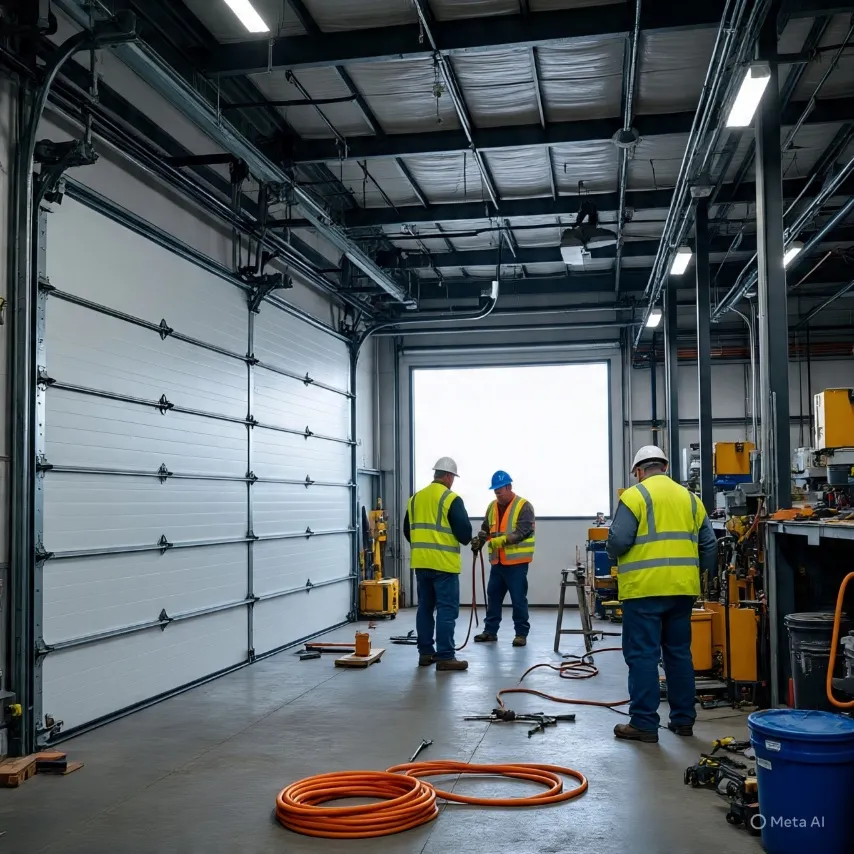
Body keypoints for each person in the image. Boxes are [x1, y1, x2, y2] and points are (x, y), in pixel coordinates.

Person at [606, 445, 718, 744]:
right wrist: (696, 575)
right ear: (665, 467)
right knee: (679, 655)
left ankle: (644, 723)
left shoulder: (634, 496)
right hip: (682, 591)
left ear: (638, 471)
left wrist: (611, 550)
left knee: (643, 655)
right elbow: (709, 546)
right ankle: (683, 721)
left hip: (644, 590)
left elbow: (618, 541)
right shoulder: (691, 499)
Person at [403, 457, 473, 671]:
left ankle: (425, 653)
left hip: (421, 564)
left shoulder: (415, 499)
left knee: (425, 608)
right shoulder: (451, 499)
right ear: (449, 477)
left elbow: (408, 531)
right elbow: (465, 535)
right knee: (446, 610)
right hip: (444, 565)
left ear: (436, 474)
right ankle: (445, 656)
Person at [471, 471, 536, 647]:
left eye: (500, 489)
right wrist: (480, 540)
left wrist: (501, 541)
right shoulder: (492, 507)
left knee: (518, 599)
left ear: (509, 486)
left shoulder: (524, 506)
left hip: (516, 564)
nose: (497, 493)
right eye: (495, 490)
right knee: (493, 596)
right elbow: (486, 529)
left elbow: (523, 532)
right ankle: (490, 631)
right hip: (497, 563)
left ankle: (521, 633)